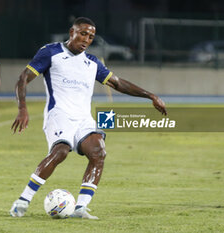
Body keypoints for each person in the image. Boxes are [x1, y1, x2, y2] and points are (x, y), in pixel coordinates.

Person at [9, 17, 167, 219]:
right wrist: (22, 108)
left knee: (98, 151)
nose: (86, 39)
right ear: (72, 32)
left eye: (91, 36)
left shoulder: (92, 63)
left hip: (83, 118)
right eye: (83, 33)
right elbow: (23, 78)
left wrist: (150, 96)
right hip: (59, 115)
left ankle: (80, 208)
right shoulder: (51, 52)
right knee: (60, 152)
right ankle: (23, 200)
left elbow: (118, 83)